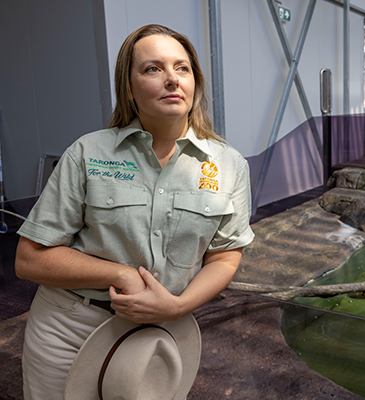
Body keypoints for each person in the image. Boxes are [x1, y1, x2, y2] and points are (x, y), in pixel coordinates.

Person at [14, 24, 254, 399]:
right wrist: (121, 274)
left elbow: (224, 256)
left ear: (195, 84)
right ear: (128, 87)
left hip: (161, 329)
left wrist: (178, 306)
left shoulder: (229, 165)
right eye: (153, 69)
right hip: (71, 327)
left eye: (183, 68)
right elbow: (29, 260)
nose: (172, 80)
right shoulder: (88, 153)